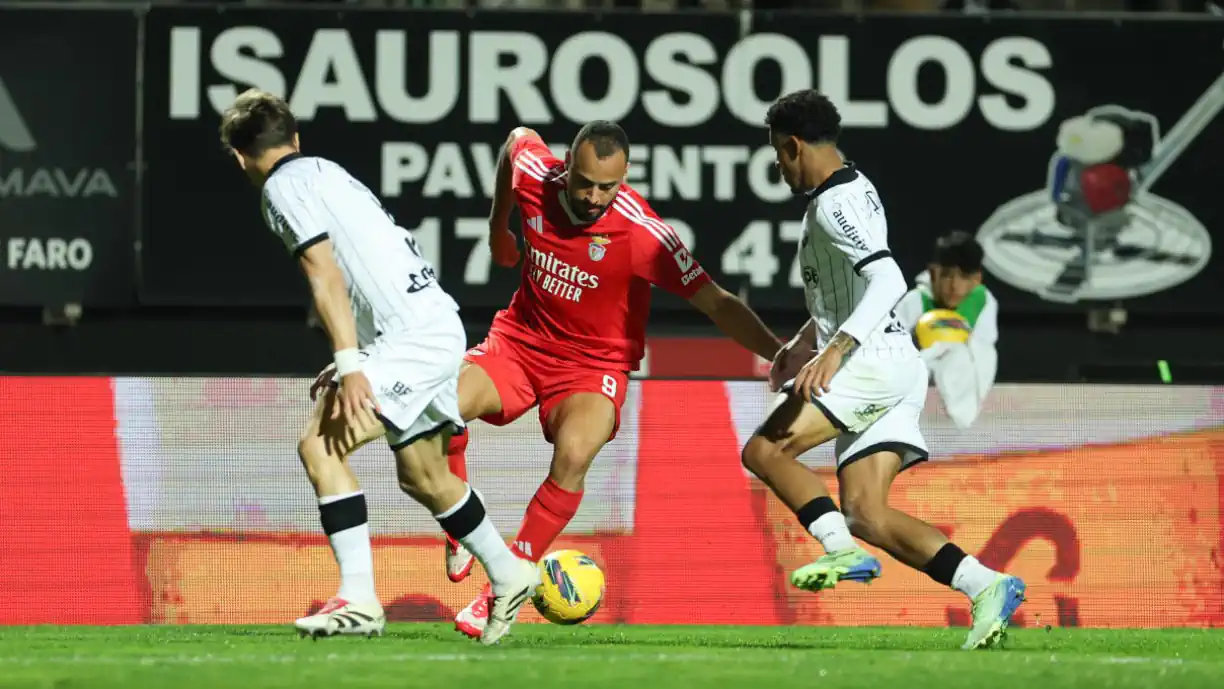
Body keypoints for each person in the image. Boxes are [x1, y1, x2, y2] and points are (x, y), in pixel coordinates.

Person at [219, 88, 536, 645]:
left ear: (240, 157)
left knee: (321, 445)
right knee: (423, 474)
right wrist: (359, 356)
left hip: (411, 339)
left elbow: (326, 274)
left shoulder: (280, 188)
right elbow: (369, 267)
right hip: (430, 325)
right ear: (295, 139)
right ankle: (510, 573)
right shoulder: (327, 173)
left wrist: (350, 361)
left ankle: (359, 600)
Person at [447, 121, 784, 637]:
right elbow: (517, 140)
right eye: (584, 183)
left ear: (625, 176)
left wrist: (778, 354)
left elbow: (716, 301)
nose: (594, 197)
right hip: (520, 340)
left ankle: (504, 579)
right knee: (439, 409)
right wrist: (498, 228)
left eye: (608, 186)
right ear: (566, 166)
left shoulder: (645, 234)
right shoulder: (538, 176)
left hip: (592, 365)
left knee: (577, 452)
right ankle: (457, 512)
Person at [745, 89, 1025, 650]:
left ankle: (838, 551)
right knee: (867, 512)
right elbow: (850, 293)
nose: (779, 165)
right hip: (895, 363)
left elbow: (891, 281)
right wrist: (804, 343)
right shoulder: (853, 187)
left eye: (779, 153)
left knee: (764, 451)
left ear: (796, 145)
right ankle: (987, 585)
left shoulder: (833, 204)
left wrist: (835, 350)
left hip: (870, 362)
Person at [894, 231, 999, 428]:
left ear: (976, 279)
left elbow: (984, 353)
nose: (954, 286)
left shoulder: (984, 302)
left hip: (957, 409)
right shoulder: (914, 301)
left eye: (964, 277)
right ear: (934, 273)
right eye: (947, 275)